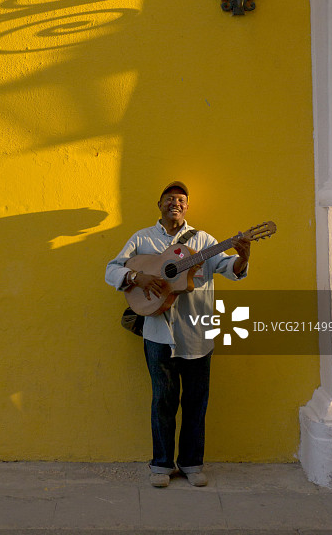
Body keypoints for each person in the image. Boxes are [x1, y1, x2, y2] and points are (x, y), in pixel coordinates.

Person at [105, 181, 251, 488]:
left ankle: (191, 463)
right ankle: (161, 465)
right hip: (158, 334)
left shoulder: (203, 241)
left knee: (196, 401)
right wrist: (136, 276)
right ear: (159, 204)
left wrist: (243, 256)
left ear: (187, 206)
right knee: (163, 400)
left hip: (198, 334)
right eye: (170, 198)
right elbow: (112, 270)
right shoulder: (142, 238)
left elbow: (230, 268)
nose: (176, 202)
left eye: (181, 199)